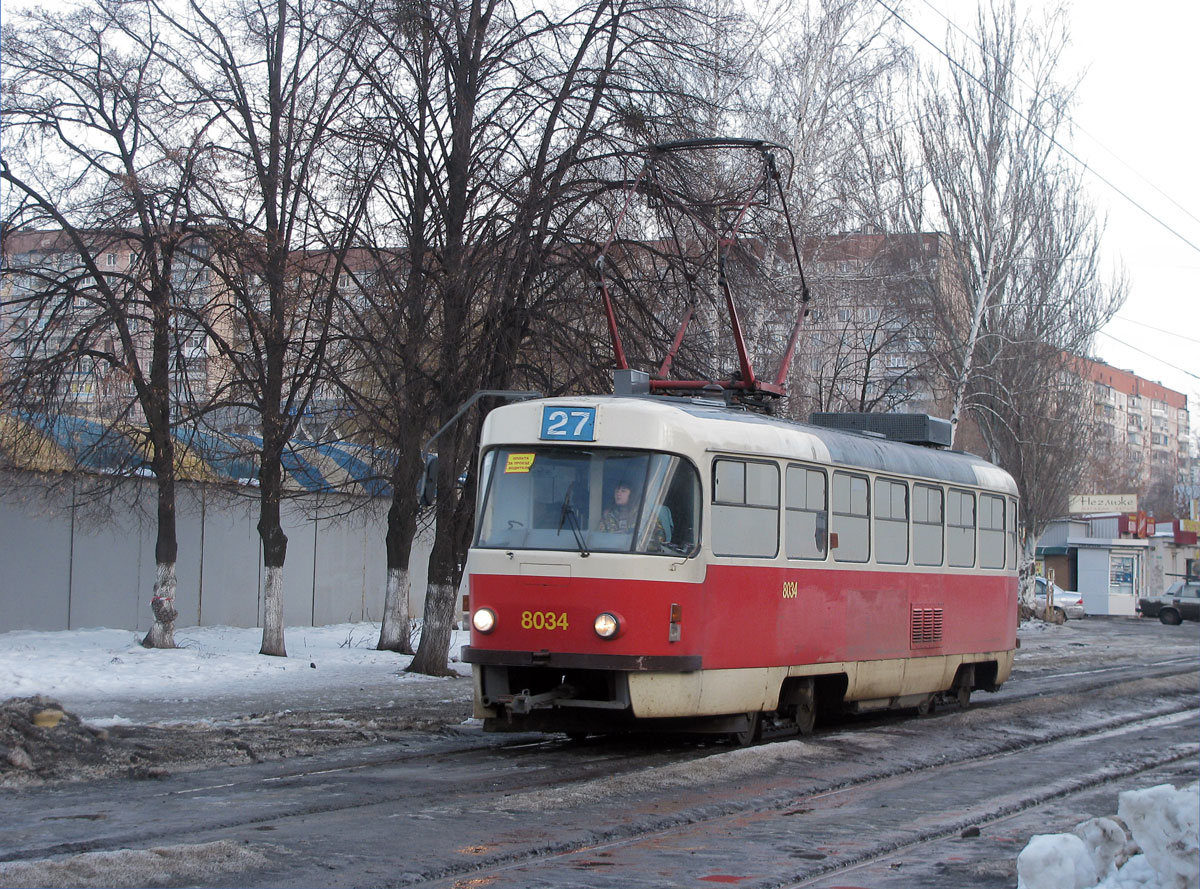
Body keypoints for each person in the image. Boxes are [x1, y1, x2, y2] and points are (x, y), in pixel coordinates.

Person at [600, 480, 667, 547]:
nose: (618, 494)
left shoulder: (643, 513)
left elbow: (660, 536)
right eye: (617, 491)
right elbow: (600, 538)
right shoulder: (608, 515)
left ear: (631, 494)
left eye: (623, 491)